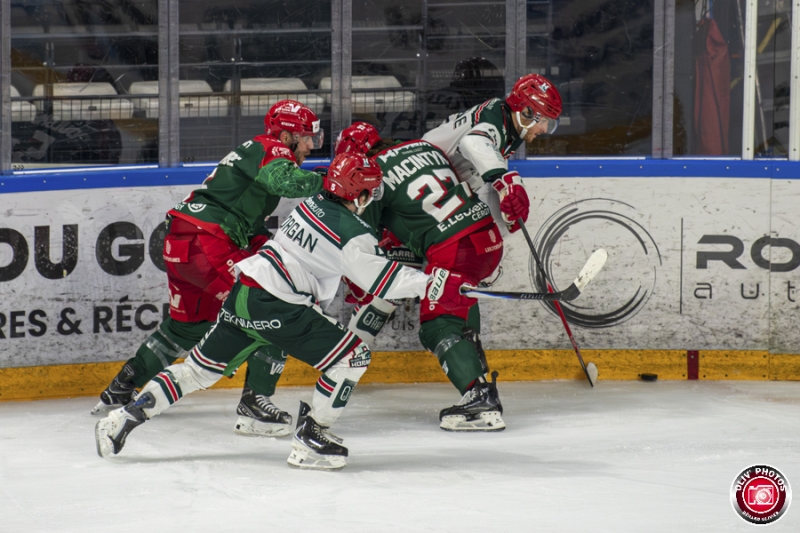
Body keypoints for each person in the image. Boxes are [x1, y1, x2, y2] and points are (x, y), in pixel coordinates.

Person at [94, 153, 474, 470]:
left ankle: (124, 418)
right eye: (370, 189)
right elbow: (384, 282)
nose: (373, 195)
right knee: (352, 357)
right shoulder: (354, 234)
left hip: (244, 292)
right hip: (278, 305)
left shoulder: (311, 205)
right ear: (357, 191)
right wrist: (436, 283)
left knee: (195, 370)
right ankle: (312, 437)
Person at [92, 100, 327, 439]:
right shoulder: (273, 148)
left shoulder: (256, 150)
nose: (309, 146)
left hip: (182, 244)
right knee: (272, 308)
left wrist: (270, 247)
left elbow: (250, 221)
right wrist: (332, 182)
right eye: (306, 138)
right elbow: (286, 183)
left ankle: (121, 387)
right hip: (208, 243)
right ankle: (255, 405)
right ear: (287, 134)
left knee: (185, 328)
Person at [422, 73, 562, 234]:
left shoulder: (510, 126)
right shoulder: (494, 120)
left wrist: (507, 206)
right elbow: (472, 142)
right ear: (526, 112)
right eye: (543, 121)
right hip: (418, 174)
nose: (545, 130)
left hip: (435, 187)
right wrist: (506, 183)